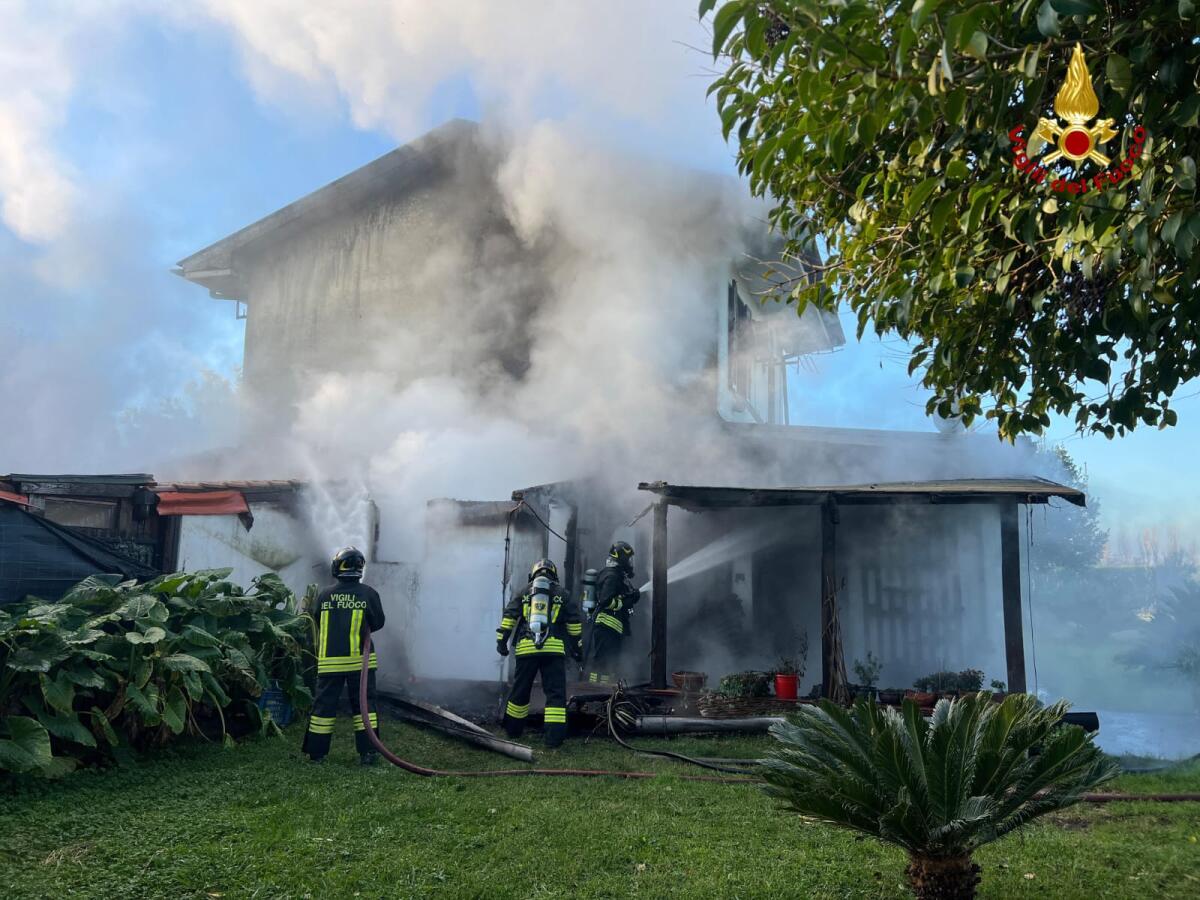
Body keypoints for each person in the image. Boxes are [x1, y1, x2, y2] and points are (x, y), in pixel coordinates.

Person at [303, 546, 386, 765]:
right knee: (364, 707)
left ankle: (316, 754)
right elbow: (378, 622)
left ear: (336, 568)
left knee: (323, 708)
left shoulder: (325, 594)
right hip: (361, 663)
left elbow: (318, 619)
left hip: (330, 662)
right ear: (360, 568)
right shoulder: (368, 593)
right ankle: (368, 753)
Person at [495, 558, 582, 748]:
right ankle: (554, 739)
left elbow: (509, 618)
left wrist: (502, 642)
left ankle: (513, 730)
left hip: (526, 649)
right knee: (555, 695)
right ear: (554, 575)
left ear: (532, 574)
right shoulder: (562, 594)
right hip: (553, 650)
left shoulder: (523, 592)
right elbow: (574, 626)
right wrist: (577, 649)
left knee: (520, 691)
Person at [586, 540, 640, 684]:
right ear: (621, 558)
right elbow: (605, 600)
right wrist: (626, 601)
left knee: (607, 663)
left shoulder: (615, 574)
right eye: (628, 559)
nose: (630, 562)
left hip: (611, 627)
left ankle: (602, 690)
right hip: (606, 626)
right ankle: (595, 690)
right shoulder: (612, 576)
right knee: (602, 662)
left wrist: (630, 597)